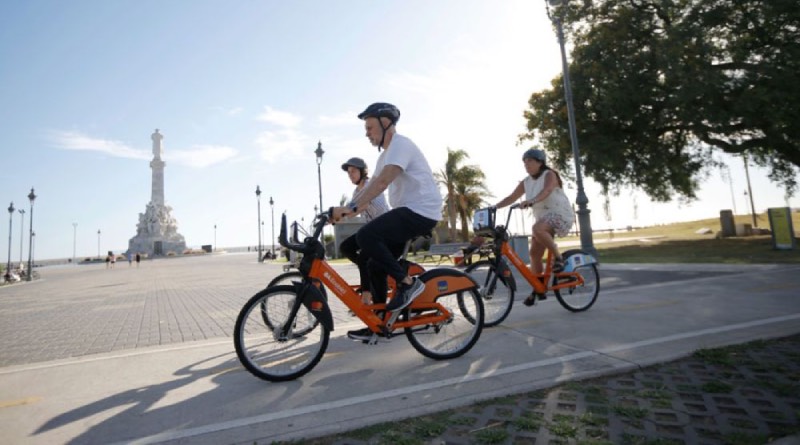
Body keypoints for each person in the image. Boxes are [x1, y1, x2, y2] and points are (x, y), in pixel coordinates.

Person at [332, 102, 443, 341]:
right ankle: (378, 323)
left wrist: (351, 208)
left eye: (370, 127)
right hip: (409, 211)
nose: (367, 133)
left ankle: (408, 283)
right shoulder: (385, 156)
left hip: (421, 210)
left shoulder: (401, 145)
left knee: (366, 237)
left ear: (386, 124)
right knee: (373, 264)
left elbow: (382, 183)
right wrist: (346, 211)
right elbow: (370, 188)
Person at [493, 148, 574, 306]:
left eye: (530, 161)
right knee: (534, 254)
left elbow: (548, 190)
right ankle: (538, 288)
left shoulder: (549, 174)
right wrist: (494, 207)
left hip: (559, 214)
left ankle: (559, 258)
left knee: (537, 229)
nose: (526, 164)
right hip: (543, 219)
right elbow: (511, 197)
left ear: (540, 162)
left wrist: (532, 200)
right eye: (524, 162)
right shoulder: (526, 181)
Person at [338, 157, 390, 308]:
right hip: (372, 232)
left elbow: (361, 206)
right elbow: (352, 211)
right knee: (346, 247)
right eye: (349, 172)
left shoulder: (369, 185)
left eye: (353, 171)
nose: (351, 175)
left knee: (363, 259)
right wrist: (334, 217)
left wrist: (342, 213)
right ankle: (368, 276)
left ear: (363, 171)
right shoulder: (356, 191)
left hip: (385, 230)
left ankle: (367, 295)